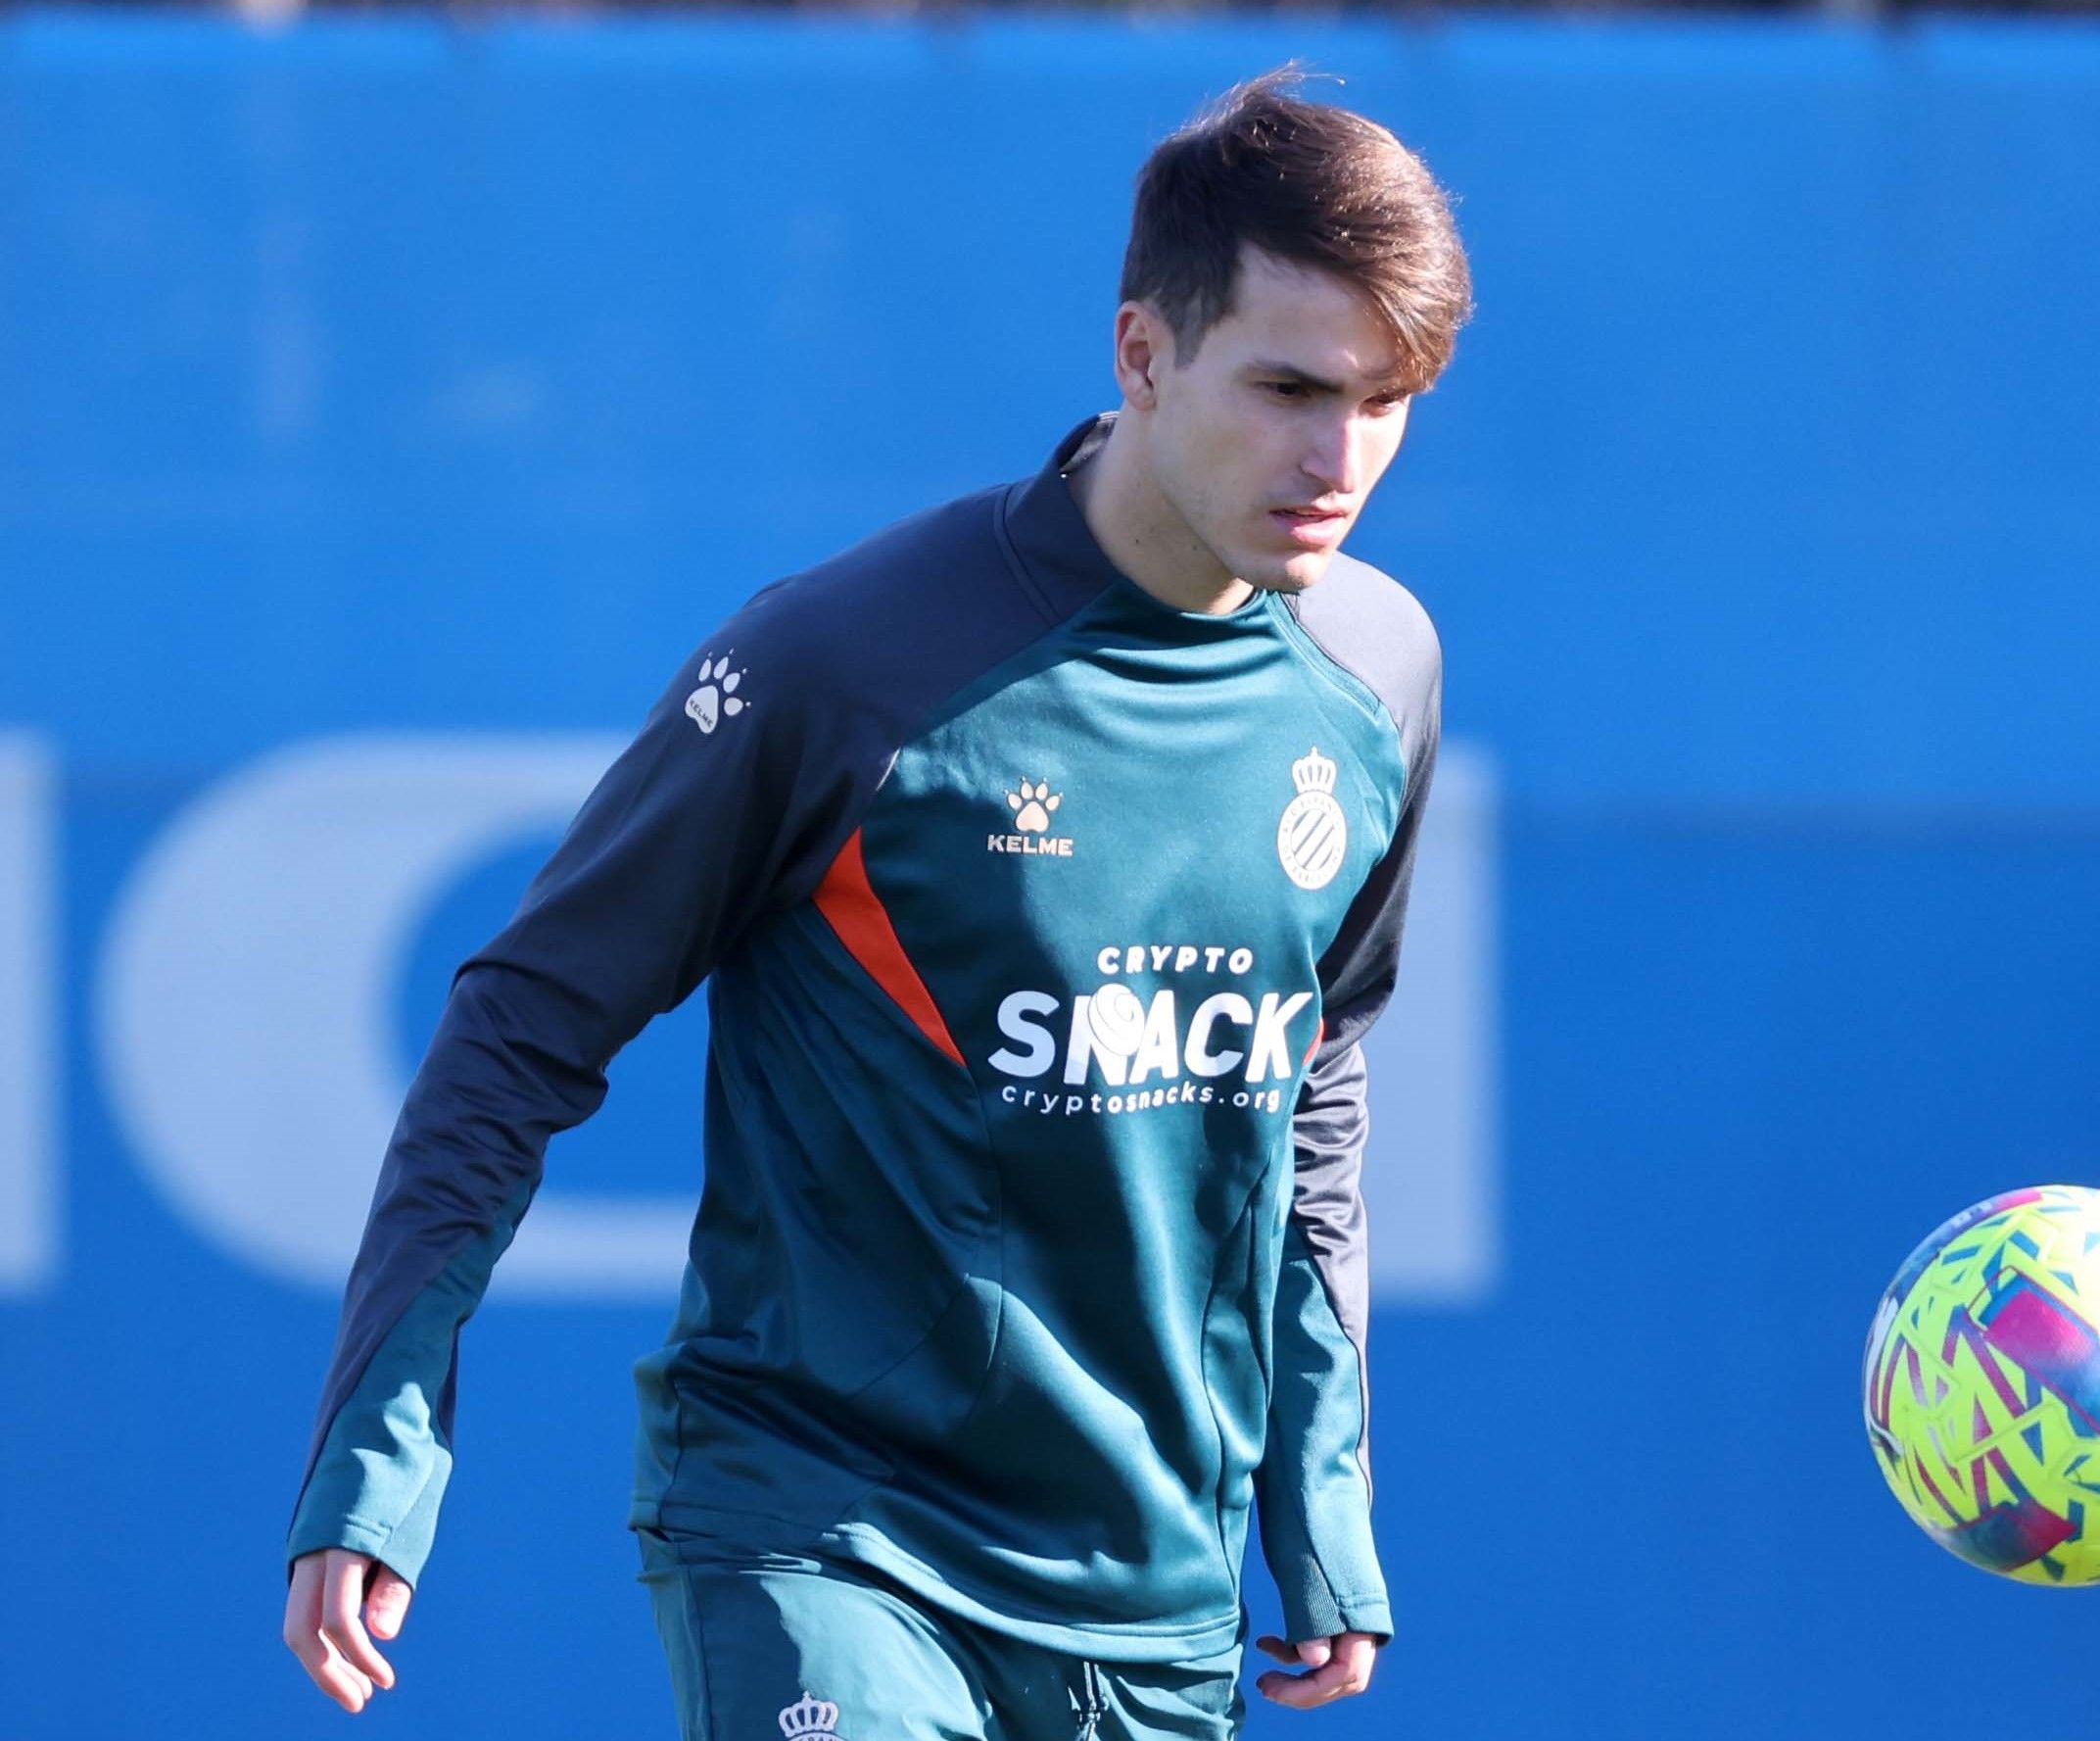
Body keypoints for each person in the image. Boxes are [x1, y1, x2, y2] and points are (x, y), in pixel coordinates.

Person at [279, 67, 1470, 1741]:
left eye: (1386, 397)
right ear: (1141, 353)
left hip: (1150, 1586)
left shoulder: (1378, 669)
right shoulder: (840, 664)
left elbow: (1314, 1080)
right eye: (1286, 385)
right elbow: (520, 1025)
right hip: (825, 1529)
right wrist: (381, 1449)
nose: (1338, 454)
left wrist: (1319, 1511)